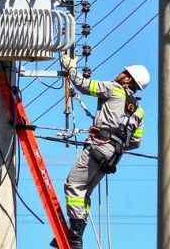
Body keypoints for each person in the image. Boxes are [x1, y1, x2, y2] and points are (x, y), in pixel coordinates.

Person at [52, 56, 150, 249]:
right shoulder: (139, 111)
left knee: (73, 185)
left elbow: (84, 85)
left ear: (128, 79)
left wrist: (71, 69)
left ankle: (75, 237)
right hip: (112, 157)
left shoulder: (113, 89)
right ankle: (75, 233)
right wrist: (115, 143)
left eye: (124, 72)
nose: (119, 73)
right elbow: (136, 142)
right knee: (84, 192)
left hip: (98, 147)